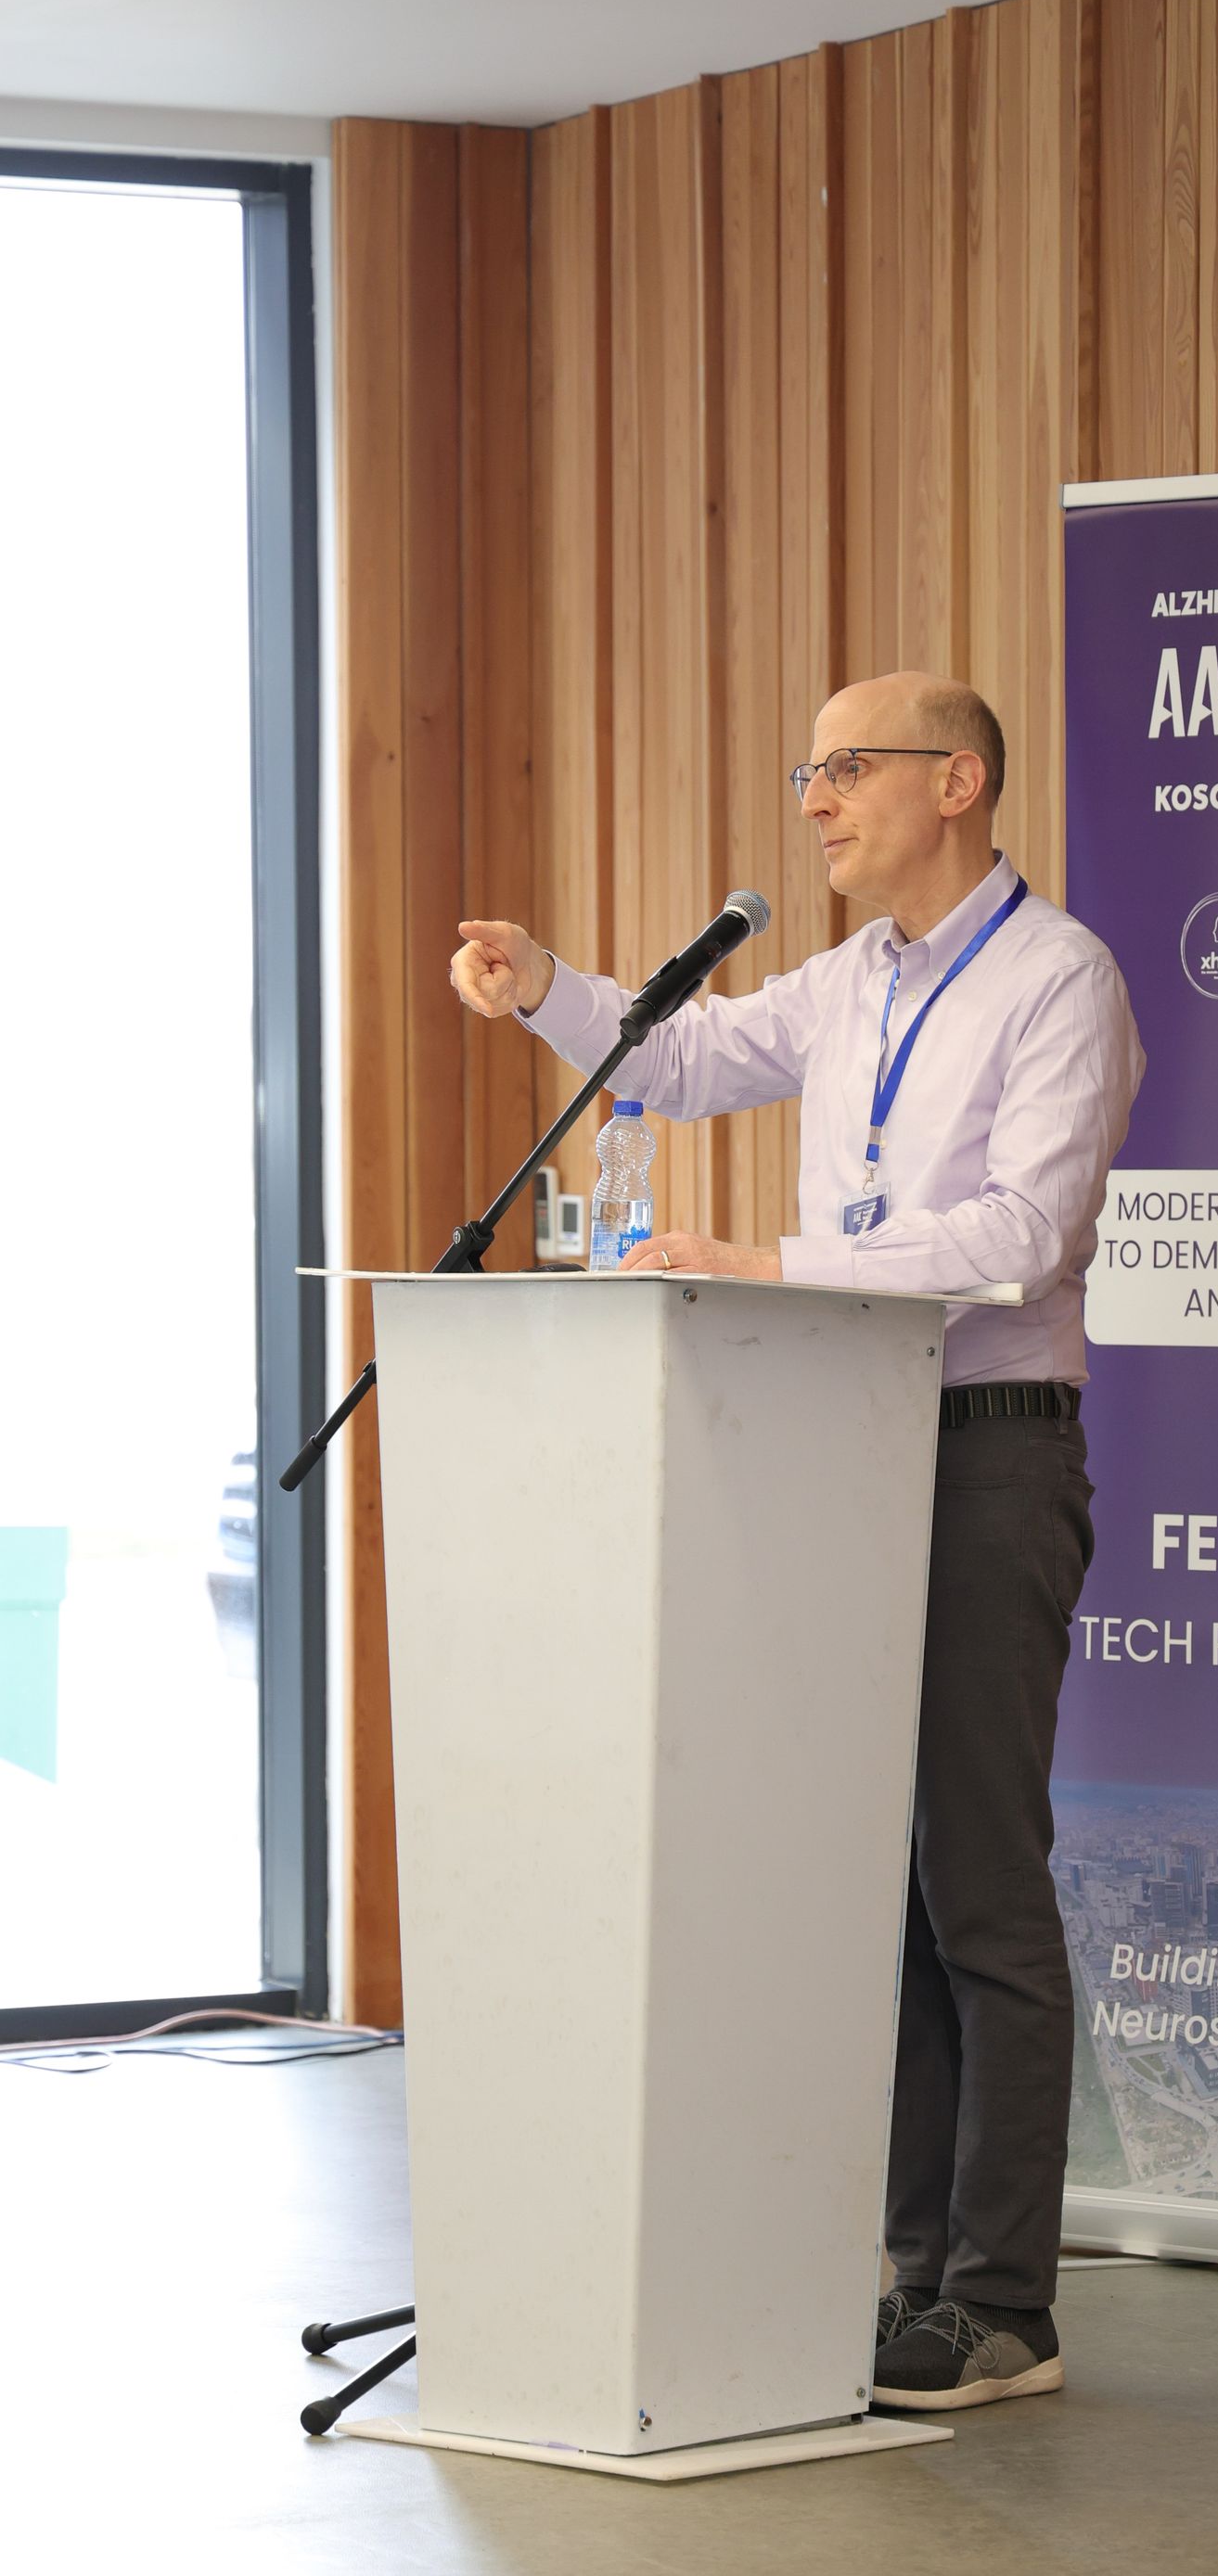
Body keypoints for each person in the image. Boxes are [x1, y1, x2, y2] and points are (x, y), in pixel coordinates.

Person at [451, 670, 1144, 2411]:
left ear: (958, 782)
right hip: (848, 1446)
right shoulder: (850, 982)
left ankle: (1006, 2306)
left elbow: (1023, 1234)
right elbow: (684, 1058)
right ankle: (914, 2276)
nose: (817, 801)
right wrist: (548, 986)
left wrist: (773, 1267)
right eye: (809, 772)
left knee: (980, 1884)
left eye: (848, 768)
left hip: (986, 1448)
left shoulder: (1058, 978)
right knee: (880, 1885)